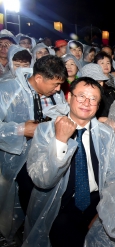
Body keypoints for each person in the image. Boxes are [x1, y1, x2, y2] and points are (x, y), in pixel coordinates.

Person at [23, 77, 115, 247]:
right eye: (81, 96)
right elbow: (42, 180)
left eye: (93, 99)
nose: (87, 103)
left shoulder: (105, 133)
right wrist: (60, 141)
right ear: (68, 97)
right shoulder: (45, 130)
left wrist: (106, 208)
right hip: (60, 204)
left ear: (98, 105)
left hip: (97, 201)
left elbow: (111, 174)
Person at [0, 55, 67, 244]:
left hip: (47, 155)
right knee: (25, 199)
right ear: (39, 78)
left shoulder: (55, 93)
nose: (58, 89)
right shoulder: (7, 90)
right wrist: (21, 129)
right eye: (55, 84)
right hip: (16, 159)